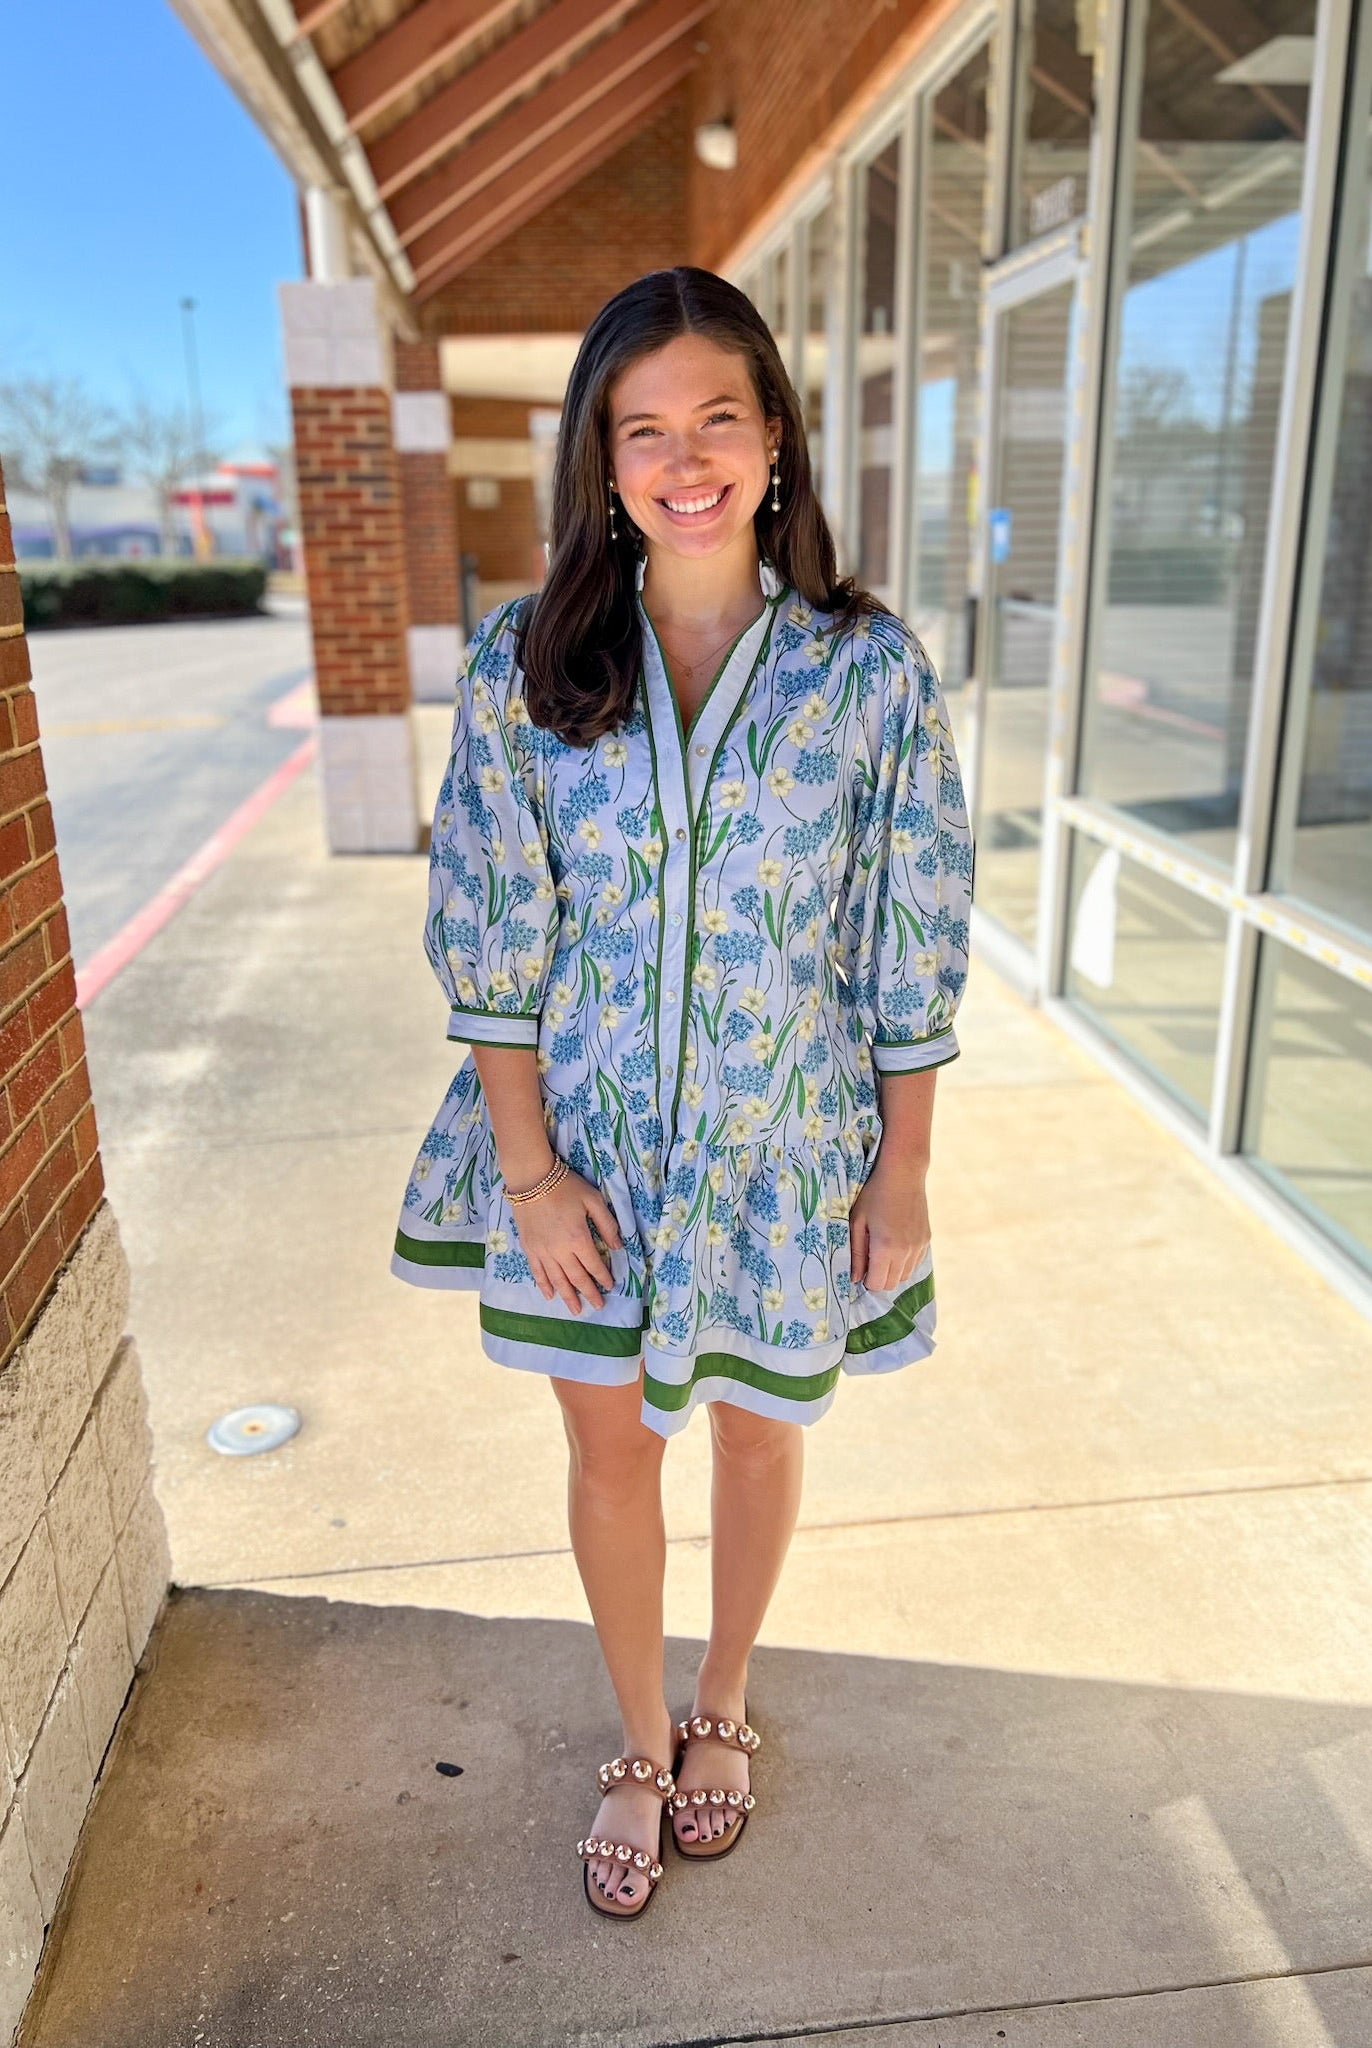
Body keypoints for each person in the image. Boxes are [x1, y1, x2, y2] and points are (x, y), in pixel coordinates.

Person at [391, 266, 973, 1920]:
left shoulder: (867, 676)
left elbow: (907, 934)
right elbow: (492, 928)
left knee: (761, 1432)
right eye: (643, 428)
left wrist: (903, 1169)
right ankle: (640, 1742)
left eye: (718, 414)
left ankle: (726, 1702)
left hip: (787, 1152)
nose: (685, 455)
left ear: (775, 436)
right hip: (587, 1158)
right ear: (605, 459)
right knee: (607, 1454)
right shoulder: (528, 659)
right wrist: (528, 1173)